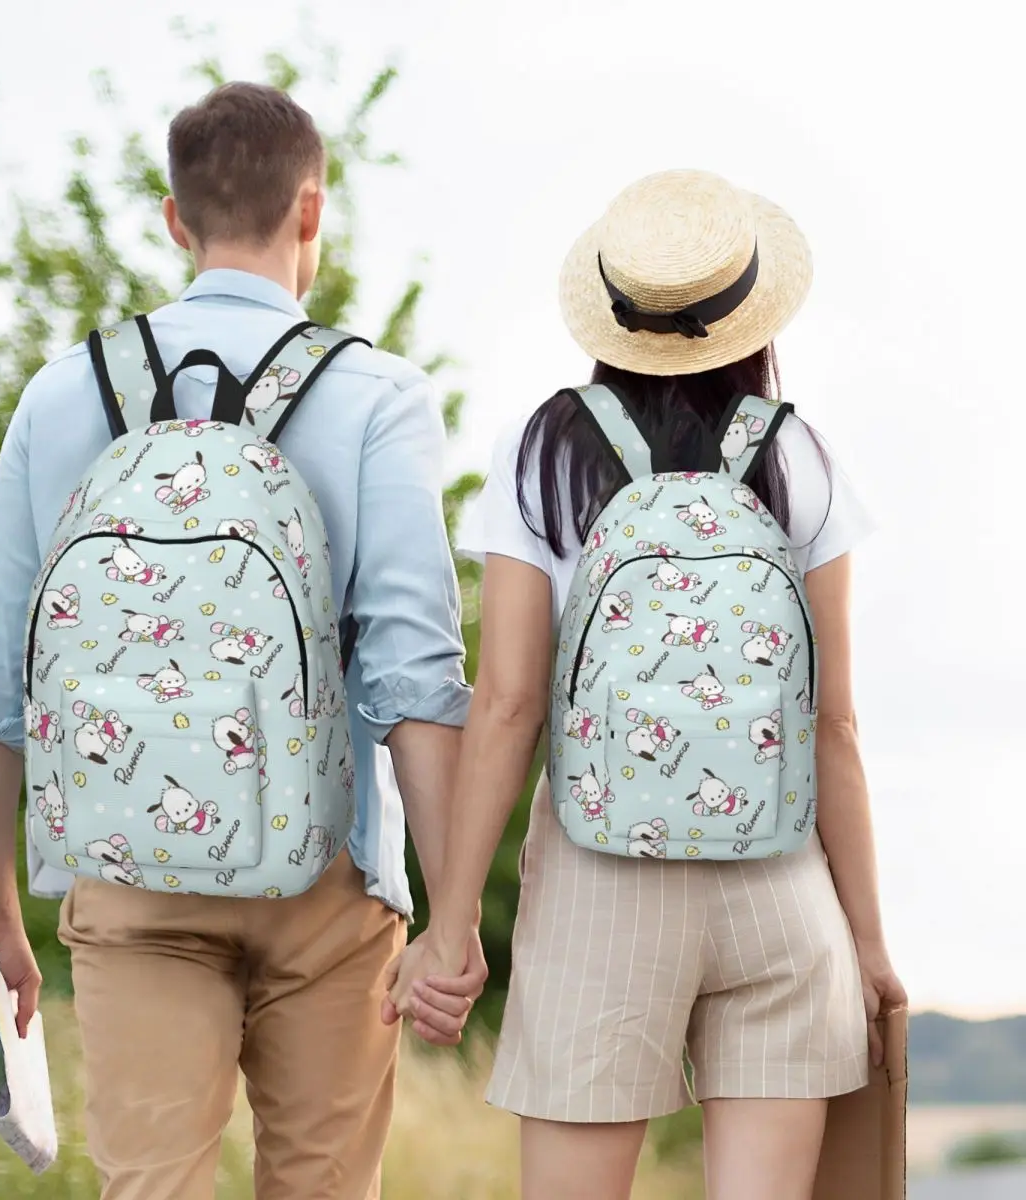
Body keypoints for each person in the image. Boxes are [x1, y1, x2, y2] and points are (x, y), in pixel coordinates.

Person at [0, 82, 486, 1200]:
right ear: (312, 212)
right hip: (329, 875)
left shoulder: (61, 395)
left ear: (175, 220)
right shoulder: (377, 396)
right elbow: (416, 678)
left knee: (151, 1186)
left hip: (130, 874)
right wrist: (453, 915)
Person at [385, 169, 907, 1200]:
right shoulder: (800, 455)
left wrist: (450, 927)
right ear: (750, 314)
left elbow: (508, 705)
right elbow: (834, 723)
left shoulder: (543, 449)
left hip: (599, 882)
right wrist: (868, 942)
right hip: (780, 884)